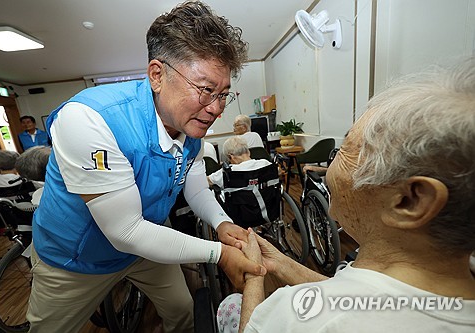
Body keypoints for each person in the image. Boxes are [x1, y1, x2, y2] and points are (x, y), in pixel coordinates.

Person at [27, 2, 265, 332]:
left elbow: (193, 185)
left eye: (224, 94)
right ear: (157, 75)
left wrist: (221, 222)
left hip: (143, 246)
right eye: (206, 90)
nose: (216, 109)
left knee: (184, 311)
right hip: (74, 259)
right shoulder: (89, 119)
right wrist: (220, 254)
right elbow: (125, 231)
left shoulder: (188, 124)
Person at [219, 57, 475, 332]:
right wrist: (281, 263)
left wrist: (255, 276)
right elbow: (361, 300)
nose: (328, 166)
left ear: (409, 201)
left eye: (346, 148)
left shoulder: (302, 316)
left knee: (229, 306)